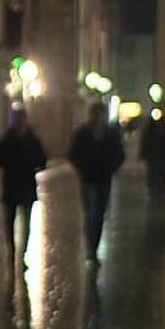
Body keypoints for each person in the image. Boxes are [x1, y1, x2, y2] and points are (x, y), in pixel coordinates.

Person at [0, 107, 48, 266]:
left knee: (26, 223)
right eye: (17, 119)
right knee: (9, 222)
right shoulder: (6, 140)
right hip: (11, 187)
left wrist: (35, 164)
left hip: (26, 187)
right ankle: (12, 251)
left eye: (21, 119)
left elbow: (42, 159)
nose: (19, 123)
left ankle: (22, 253)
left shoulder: (33, 140)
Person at [68, 102, 125, 263]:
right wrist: (82, 167)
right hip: (88, 179)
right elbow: (73, 154)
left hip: (104, 178)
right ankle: (90, 249)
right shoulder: (82, 133)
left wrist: (112, 167)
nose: (98, 117)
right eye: (96, 114)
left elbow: (119, 154)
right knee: (91, 213)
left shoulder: (111, 134)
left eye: (100, 114)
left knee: (99, 214)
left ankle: (94, 246)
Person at [140, 112, 165, 196]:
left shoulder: (150, 129)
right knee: (156, 171)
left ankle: (156, 188)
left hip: (157, 154)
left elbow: (145, 142)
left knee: (156, 171)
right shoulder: (162, 129)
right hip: (157, 154)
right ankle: (157, 188)